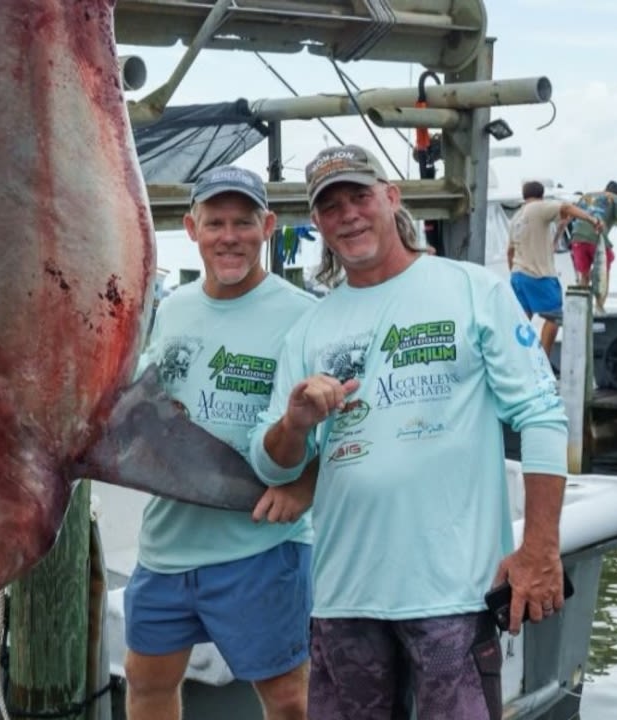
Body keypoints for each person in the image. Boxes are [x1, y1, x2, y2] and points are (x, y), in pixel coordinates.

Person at [248, 144, 569, 720]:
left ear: (391, 198)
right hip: (344, 597)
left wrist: (540, 548)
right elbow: (274, 467)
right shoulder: (309, 327)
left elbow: (542, 416)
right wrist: (294, 423)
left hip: (455, 594)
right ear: (316, 222)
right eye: (330, 205)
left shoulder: (474, 289)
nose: (347, 214)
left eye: (359, 196)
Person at [124, 165, 315, 720]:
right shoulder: (174, 306)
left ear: (269, 226)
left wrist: (307, 484)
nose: (228, 236)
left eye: (242, 222)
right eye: (214, 223)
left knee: (288, 701)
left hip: (257, 547)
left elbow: (342, 424)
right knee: (147, 683)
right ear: (191, 228)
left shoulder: (302, 316)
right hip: (166, 543)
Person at [507, 180, 603, 358]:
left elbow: (510, 252)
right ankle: (543, 361)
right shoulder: (539, 208)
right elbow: (566, 207)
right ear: (542, 195)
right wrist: (592, 219)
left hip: (518, 275)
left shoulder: (516, 218)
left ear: (524, 196)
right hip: (539, 276)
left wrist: (559, 229)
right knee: (554, 317)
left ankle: (517, 359)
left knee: (522, 321)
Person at [562, 180, 617, 313]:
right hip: (597, 237)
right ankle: (599, 307)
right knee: (603, 273)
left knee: (584, 275)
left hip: (577, 237)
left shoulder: (586, 196)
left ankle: (583, 310)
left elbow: (567, 219)